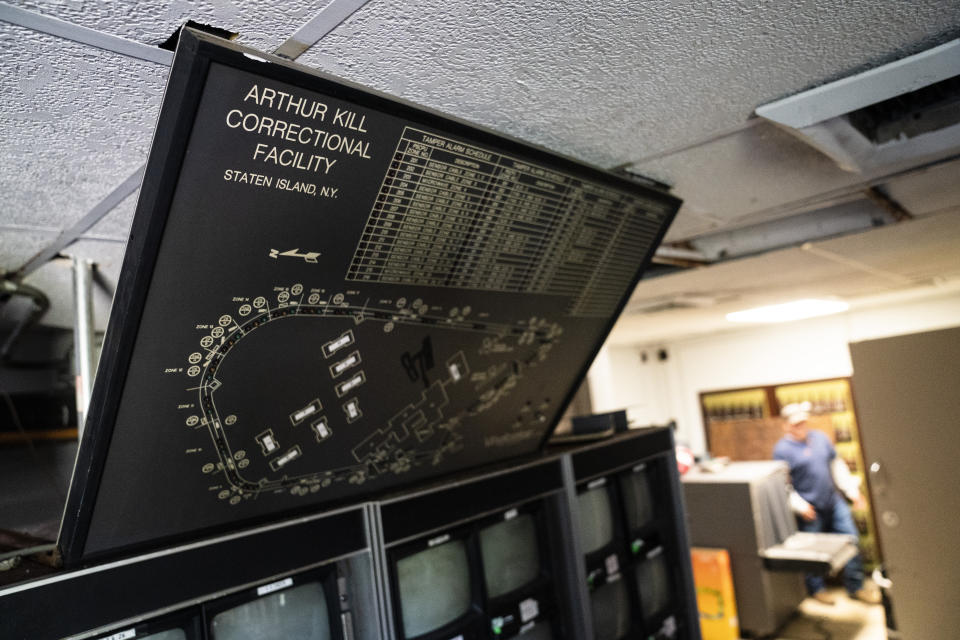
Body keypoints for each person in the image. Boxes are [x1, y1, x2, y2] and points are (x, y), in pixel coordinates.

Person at [773, 402, 880, 605]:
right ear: (785, 425)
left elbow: (836, 465)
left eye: (803, 422)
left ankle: (856, 587)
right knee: (814, 551)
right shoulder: (782, 450)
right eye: (796, 424)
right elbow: (784, 484)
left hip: (833, 501)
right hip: (810, 508)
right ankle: (817, 590)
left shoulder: (819, 439)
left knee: (851, 541)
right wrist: (799, 505)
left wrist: (852, 491)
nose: (801, 427)